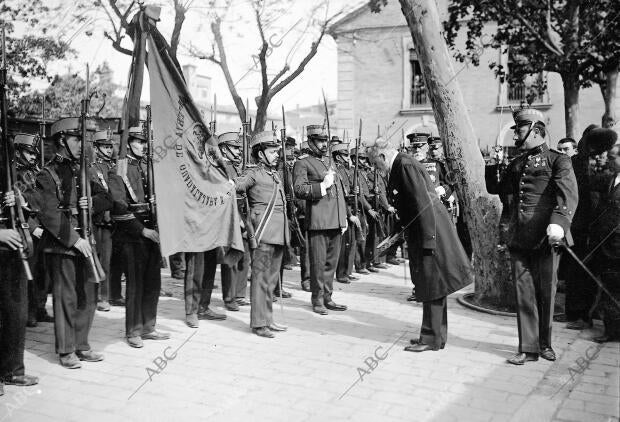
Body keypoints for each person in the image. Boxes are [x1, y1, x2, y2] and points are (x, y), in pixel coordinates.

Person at [485, 108, 578, 365]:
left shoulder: (559, 160)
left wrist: (559, 224)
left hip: (547, 237)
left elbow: (568, 195)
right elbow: (498, 190)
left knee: (547, 292)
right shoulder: (516, 163)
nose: (517, 133)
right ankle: (528, 347)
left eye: (521, 129)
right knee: (523, 292)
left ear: (536, 131)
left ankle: (545, 344)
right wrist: (493, 164)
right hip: (520, 237)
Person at [365, 137, 472, 352]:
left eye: (377, 164)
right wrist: (397, 234)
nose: (378, 169)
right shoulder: (401, 164)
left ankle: (431, 338)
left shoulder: (404, 165)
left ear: (384, 157)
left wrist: (427, 240)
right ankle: (435, 336)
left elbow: (422, 203)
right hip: (426, 231)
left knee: (431, 285)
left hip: (429, 233)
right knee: (432, 285)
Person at [35, 117, 110, 368]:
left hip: (86, 241)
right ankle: (66, 350)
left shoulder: (84, 170)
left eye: (82, 139)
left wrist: (90, 203)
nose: (82, 144)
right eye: (77, 139)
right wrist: (74, 240)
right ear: (61, 140)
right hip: (62, 244)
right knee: (65, 296)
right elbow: (48, 213)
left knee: (88, 294)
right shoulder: (48, 173)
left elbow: (105, 197)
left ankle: (82, 344)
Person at [109, 126, 170, 348]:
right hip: (133, 235)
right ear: (128, 143)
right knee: (135, 285)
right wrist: (142, 230)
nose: (143, 146)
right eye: (138, 141)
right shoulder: (120, 169)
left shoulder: (149, 165)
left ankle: (148, 327)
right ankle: (133, 330)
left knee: (153, 282)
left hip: (153, 233)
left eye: (145, 142)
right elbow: (118, 208)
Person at [234, 130, 289, 337]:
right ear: (260, 154)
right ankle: (258, 323)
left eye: (277, 151)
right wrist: (229, 182)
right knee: (260, 280)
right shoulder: (253, 173)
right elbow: (238, 185)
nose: (277, 155)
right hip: (263, 233)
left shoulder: (273, 174)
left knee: (271, 281)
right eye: (272, 151)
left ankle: (268, 319)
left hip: (277, 234)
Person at [293, 125, 349, 315]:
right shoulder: (303, 163)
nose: (324, 144)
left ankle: (328, 297)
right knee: (318, 263)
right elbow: (299, 190)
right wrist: (321, 186)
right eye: (319, 140)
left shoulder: (330, 161)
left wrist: (344, 218)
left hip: (336, 221)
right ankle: (317, 299)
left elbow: (340, 193)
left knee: (331, 264)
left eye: (325, 140)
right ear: (310, 141)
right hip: (319, 221)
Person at [0, 190, 39, 394]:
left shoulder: (9, 168)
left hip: (14, 250)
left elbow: (37, 202)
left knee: (17, 313)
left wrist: (20, 200)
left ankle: (12, 370)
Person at [13, 133, 52, 326]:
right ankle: (29, 312)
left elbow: (41, 200)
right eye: (29, 152)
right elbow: (18, 205)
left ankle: (40, 307)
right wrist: (34, 226)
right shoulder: (14, 173)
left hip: (42, 228)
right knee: (29, 271)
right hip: (27, 229)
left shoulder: (34, 171)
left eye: (34, 153)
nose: (33, 156)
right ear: (19, 151)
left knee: (43, 271)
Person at [588, 137, 620, 343]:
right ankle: (611, 330)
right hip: (606, 243)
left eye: (613, 157)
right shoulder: (611, 178)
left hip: (618, 243)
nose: (609, 159)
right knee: (609, 286)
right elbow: (588, 180)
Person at [217, 131, 251, 312]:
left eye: (239, 148)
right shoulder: (220, 167)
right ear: (223, 148)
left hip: (243, 212)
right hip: (230, 215)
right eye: (234, 148)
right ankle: (229, 296)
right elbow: (224, 195)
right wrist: (237, 219)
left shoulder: (236, 167)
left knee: (244, 256)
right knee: (231, 256)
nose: (238, 151)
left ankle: (239, 293)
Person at [89, 130, 115, 312]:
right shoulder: (92, 169)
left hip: (113, 219)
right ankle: (99, 297)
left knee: (110, 260)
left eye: (110, 146)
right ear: (96, 148)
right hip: (98, 220)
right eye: (105, 146)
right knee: (99, 259)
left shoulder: (114, 167)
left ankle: (108, 294)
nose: (109, 150)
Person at [332, 142, 361, 283]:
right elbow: (341, 195)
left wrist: (355, 190)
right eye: (344, 155)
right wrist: (349, 214)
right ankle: (341, 273)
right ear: (337, 157)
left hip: (349, 207)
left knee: (350, 243)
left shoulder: (345, 170)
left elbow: (348, 191)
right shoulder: (336, 171)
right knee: (343, 246)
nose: (347, 157)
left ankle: (346, 272)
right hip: (342, 211)